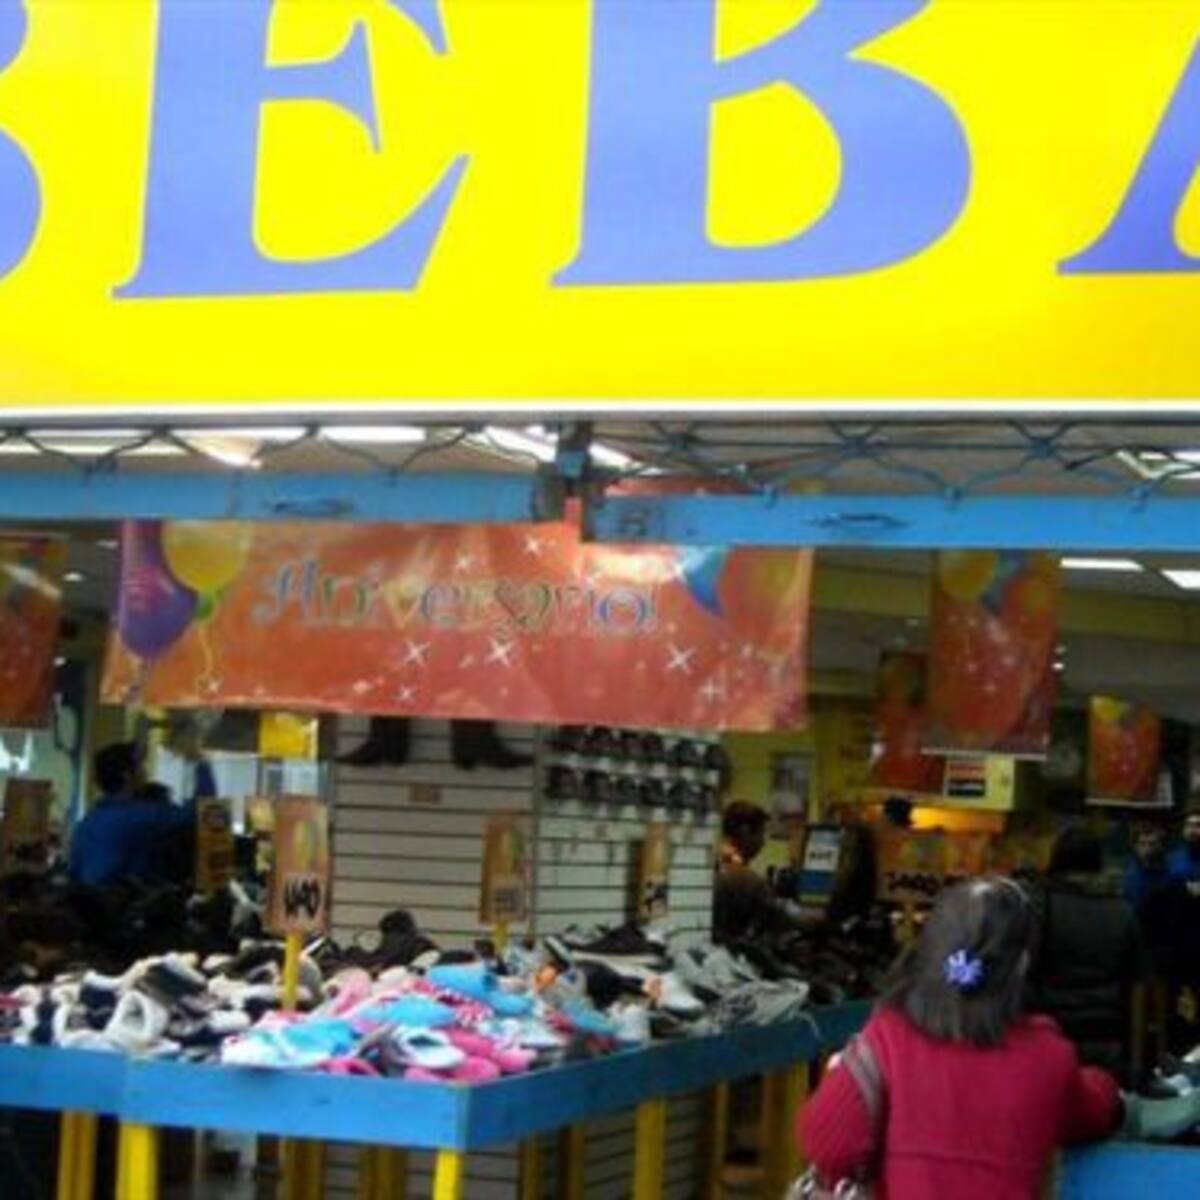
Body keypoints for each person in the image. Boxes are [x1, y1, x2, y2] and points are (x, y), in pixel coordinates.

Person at [801, 877, 1123, 1199]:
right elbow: (1091, 1111)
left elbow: (828, 1147)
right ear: (1021, 966)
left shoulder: (887, 1040)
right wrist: (1111, 1092)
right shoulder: (1048, 1057)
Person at [1027, 828, 1142, 1080]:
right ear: (1098, 863)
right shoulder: (1122, 910)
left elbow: (1027, 968)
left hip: (1052, 1029)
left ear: (1056, 860)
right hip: (1107, 1031)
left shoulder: (1040, 904)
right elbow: (1135, 980)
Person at [68, 743, 194, 887]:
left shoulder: (87, 822)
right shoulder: (139, 816)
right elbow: (198, 814)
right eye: (140, 767)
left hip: (86, 899)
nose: (145, 772)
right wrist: (201, 762)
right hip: (121, 899)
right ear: (127, 775)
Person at [713, 802, 776, 942]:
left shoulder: (713, 864)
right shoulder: (750, 881)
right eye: (761, 833)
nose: (763, 842)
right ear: (745, 831)